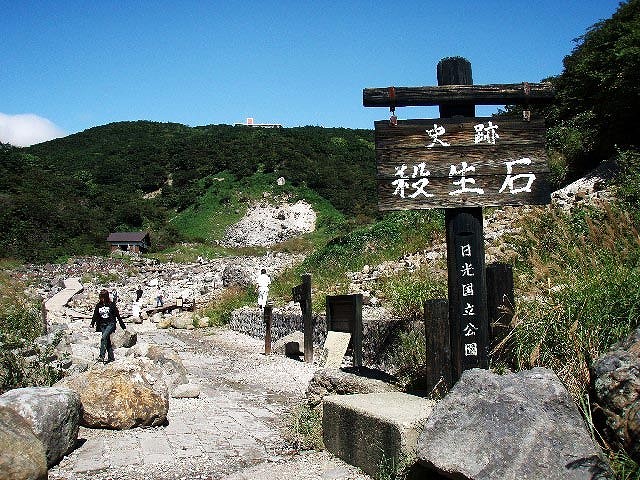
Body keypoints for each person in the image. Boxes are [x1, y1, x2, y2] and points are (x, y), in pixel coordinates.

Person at [90, 289, 126, 363]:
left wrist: (123, 326)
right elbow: (95, 315)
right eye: (101, 297)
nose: (102, 299)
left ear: (106, 297)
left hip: (111, 324)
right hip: (102, 325)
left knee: (103, 338)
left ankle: (101, 356)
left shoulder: (111, 304)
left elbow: (117, 315)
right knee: (107, 341)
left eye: (103, 297)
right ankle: (111, 358)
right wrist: (92, 323)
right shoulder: (98, 305)